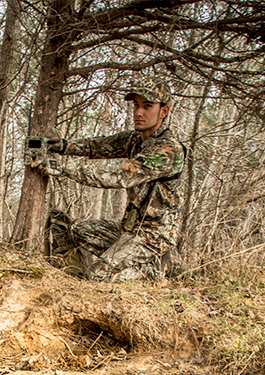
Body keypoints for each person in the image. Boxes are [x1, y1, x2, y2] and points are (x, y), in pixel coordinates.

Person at [43, 77, 187, 282]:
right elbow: (97, 146)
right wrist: (64, 146)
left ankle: (157, 268)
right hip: (128, 230)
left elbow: (120, 176)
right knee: (76, 231)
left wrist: (61, 167)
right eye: (136, 105)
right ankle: (74, 278)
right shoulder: (135, 140)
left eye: (147, 106)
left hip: (153, 238)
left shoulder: (168, 149)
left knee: (97, 276)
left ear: (163, 112)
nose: (138, 112)